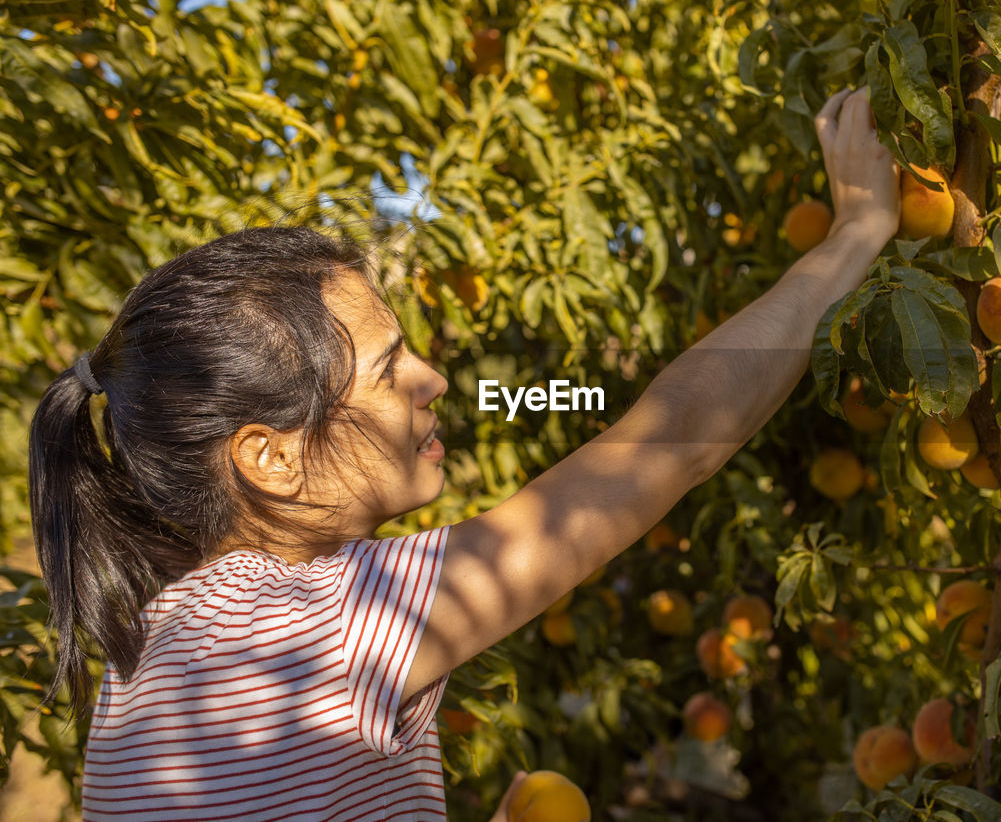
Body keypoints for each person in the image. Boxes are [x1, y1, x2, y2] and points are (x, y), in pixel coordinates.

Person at [27, 87, 898, 820]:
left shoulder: (153, 647)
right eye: (388, 368)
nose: (434, 379)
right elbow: (670, 441)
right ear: (271, 458)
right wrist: (852, 235)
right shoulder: (317, 626)